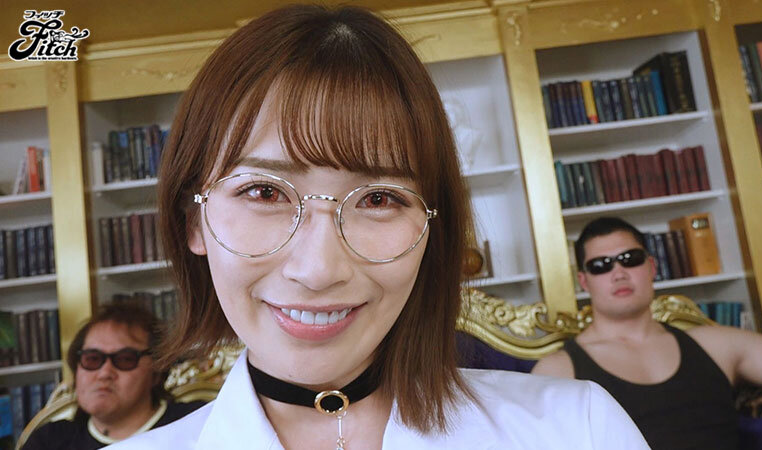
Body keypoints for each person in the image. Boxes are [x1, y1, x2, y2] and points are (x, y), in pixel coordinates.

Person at [110, 5, 649, 449]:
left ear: (432, 230)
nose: (319, 270)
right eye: (264, 192)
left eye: (379, 198)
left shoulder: (579, 429)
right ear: (194, 221)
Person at [534, 217, 762, 450]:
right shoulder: (559, 370)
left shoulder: (716, 345)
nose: (619, 273)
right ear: (584, 281)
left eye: (630, 259)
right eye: (601, 265)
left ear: (651, 266)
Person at [22, 303, 205, 450]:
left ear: (157, 371)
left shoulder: (198, 423)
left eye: (125, 359)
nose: (104, 373)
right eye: (92, 359)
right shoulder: (50, 442)